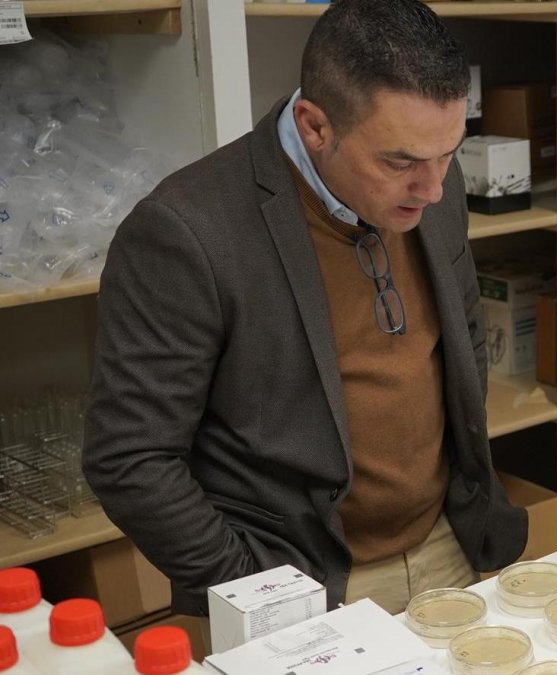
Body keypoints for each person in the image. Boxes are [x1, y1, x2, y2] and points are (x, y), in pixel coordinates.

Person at [82, 0, 527, 616]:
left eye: (448, 153)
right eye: (399, 162)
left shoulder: (431, 186)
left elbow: (463, 341)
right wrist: (252, 591)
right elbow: (130, 458)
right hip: (298, 583)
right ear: (316, 126)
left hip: (449, 547)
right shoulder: (186, 231)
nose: (432, 188)